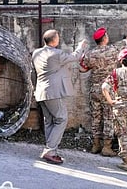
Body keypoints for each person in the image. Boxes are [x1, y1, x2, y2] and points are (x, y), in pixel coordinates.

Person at [79, 20, 127, 156]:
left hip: (94, 89)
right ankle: (106, 147)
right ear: (105, 38)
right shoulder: (113, 50)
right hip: (108, 90)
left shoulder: (90, 54)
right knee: (109, 117)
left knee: (96, 117)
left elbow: (82, 69)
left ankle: (96, 145)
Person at [31, 29, 88, 164]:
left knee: (49, 120)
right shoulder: (56, 54)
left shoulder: (36, 52)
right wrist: (81, 46)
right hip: (53, 92)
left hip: (41, 91)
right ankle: (50, 150)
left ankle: (51, 150)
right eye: (58, 37)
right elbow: (74, 57)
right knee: (61, 118)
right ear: (54, 40)